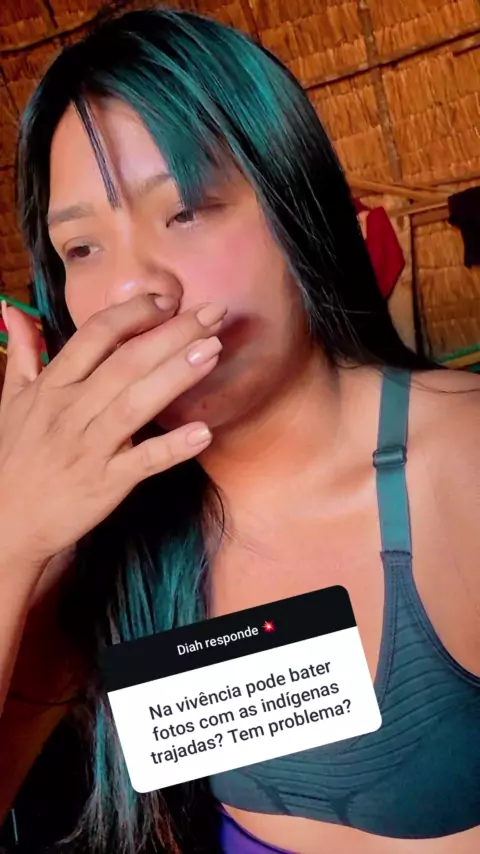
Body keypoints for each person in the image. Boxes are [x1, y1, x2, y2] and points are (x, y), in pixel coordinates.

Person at [0, 6, 479, 854]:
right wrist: (10, 535)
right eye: (81, 249)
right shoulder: (101, 537)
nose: (132, 289)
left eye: (184, 210)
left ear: (298, 207)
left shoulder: (461, 463)